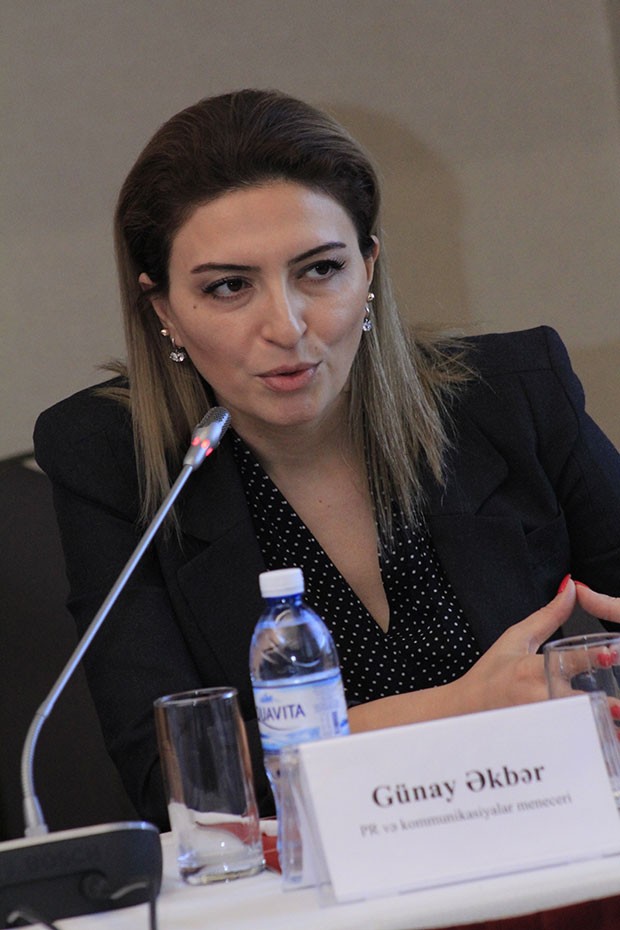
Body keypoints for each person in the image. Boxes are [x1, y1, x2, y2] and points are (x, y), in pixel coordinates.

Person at [34, 88, 620, 831]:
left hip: (550, 846)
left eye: (319, 270)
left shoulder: (513, 397)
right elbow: (178, 780)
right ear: (164, 310)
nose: (286, 325)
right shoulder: (113, 456)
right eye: (229, 286)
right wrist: (462, 706)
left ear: (368, 268)